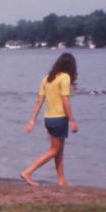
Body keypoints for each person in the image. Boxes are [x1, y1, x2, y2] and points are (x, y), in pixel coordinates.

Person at [20, 52, 79, 187]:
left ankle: (61, 180)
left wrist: (32, 120)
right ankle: (28, 172)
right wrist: (72, 120)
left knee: (58, 151)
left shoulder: (47, 78)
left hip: (49, 119)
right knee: (54, 150)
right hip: (59, 119)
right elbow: (65, 100)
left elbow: (39, 101)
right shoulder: (64, 77)